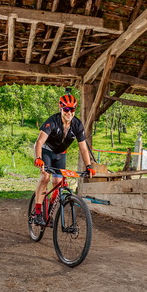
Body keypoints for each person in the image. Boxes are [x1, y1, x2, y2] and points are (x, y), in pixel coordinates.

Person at [33, 94, 95, 226]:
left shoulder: (77, 125)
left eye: (72, 109)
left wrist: (88, 166)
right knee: (45, 177)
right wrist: (38, 158)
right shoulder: (52, 121)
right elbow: (39, 142)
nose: (69, 113)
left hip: (61, 154)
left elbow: (83, 149)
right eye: (66, 109)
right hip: (47, 151)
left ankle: (48, 214)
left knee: (58, 183)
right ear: (60, 108)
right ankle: (37, 213)